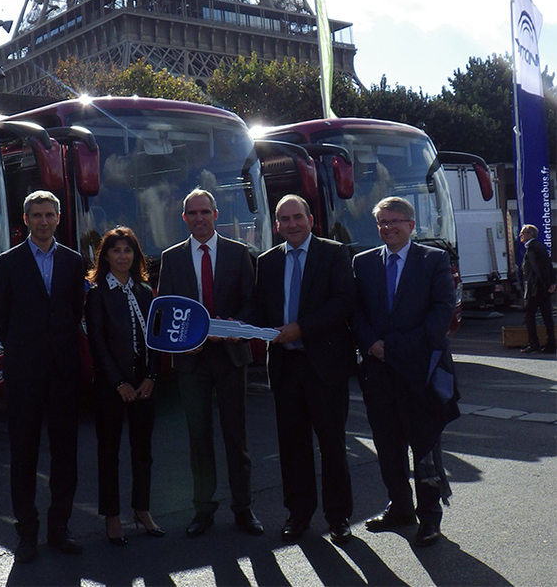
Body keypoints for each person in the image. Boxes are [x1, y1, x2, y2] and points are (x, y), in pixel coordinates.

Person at [352, 196, 460, 548]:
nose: (388, 228)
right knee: (387, 445)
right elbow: (357, 314)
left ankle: (430, 517)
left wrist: (393, 347)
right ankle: (399, 508)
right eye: (382, 222)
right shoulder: (363, 263)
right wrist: (371, 344)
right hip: (379, 372)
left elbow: (442, 313)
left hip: (420, 371)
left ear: (411, 225)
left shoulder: (434, 260)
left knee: (425, 446)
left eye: (395, 221)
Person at [157, 188, 263, 537]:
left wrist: (235, 327)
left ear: (216, 215)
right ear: (184, 218)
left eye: (205, 212)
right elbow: (166, 311)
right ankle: (203, 510)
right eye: (192, 213)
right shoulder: (171, 258)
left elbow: (252, 303)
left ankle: (243, 509)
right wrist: (180, 344)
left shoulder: (238, 254)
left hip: (231, 357)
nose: (199, 218)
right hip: (192, 362)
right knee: (198, 438)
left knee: (237, 438)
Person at [0, 190, 85, 563]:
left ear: (58, 218)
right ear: (25, 219)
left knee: (65, 454)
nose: (43, 221)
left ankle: (60, 529)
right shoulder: (8, 262)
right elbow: (0, 317)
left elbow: (72, 311)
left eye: (49, 215)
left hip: (63, 371)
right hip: (24, 372)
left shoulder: (74, 262)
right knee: (24, 454)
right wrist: (26, 350)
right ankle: (27, 535)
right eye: (37, 215)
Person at [255, 195, 355, 544]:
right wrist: (233, 328)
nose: (292, 224)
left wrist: (302, 327)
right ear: (277, 224)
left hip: (324, 366)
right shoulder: (266, 262)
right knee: (292, 446)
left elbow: (344, 302)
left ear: (311, 220)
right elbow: (259, 311)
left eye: (298, 217)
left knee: (332, 443)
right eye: (285, 219)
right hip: (285, 368)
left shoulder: (333, 253)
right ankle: (298, 514)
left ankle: (339, 516)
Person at [84, 227, 164, 546]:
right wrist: (119, 383)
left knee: (143, 452)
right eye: (115, 250)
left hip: (143, 386)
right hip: (111, 388)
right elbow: (98, 344)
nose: (122, 256)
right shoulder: (97, 293)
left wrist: (151, 377)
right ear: (105, 256)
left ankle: (142, 510)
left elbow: (156, 340)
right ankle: (113, 516)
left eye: (128, 250)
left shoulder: (145, 291)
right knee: (109, 453)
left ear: (136, 256)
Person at [518, 224, 556, 354]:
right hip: (543, 289)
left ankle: (534, 343)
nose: (520, 236)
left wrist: (547, 285)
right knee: (547, 317)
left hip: (535, 290)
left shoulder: (532, 249)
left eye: (522, 233)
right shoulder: (540, 247)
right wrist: (552, 284)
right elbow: (549, 266)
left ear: (530, 234)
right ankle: (551, 344)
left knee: (529, 316)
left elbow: (539, 269)